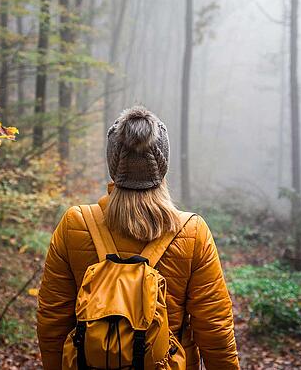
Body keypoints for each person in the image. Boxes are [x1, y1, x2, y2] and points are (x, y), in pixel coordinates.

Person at [36, 106, 239, 369]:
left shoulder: (75, 224)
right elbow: (215, 330)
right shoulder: (192, 231)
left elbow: (52, 321)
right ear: (162, 165)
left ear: (113, 163)